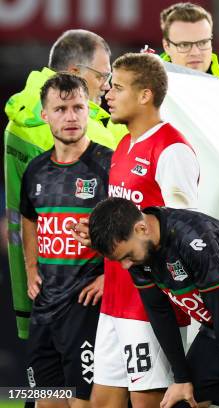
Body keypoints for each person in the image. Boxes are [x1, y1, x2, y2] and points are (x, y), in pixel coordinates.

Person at [71, 52, 200, 408]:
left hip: (150, 305)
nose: (108, 94)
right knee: (102, 401)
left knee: (150, 403)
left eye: (119, 87)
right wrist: (101, 237)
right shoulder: (124, 145)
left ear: (145, 95)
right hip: (116, 298)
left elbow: (182, 234)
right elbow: (131, 229)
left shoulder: (172, 150)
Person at [4, 29, 126, 340]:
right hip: (82, 290)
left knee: (51, 384)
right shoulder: (71, 128)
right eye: (103, 74)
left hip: (38, 285)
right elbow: (128, 178)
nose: (107, 84)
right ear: (75, 73)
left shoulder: (22, 115)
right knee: (86, 387)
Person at [87, 197, 219, 407]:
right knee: (180, 400)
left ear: (142, 228)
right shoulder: (138, 253)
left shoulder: (192, 236)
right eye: (120, 260)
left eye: (128, 256)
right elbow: (159, 313)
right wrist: (181, 378)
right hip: (218, 327)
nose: (125, 266)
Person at [19, 73, 113, 407]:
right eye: (60, 109)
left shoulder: (109, 165)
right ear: (44, 115)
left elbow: (136, 227)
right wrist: (31, 267)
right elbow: (29, 218)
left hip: (86, 307)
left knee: (82, 403)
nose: (70, 116)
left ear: (88, 109)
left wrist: (109, 274)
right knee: (46, 401)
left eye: (77, 107)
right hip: (45, 307)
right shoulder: (35, 170)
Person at [158, 2, 219, 77]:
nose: (195, 52)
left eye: (203, 43)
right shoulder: (147, 86)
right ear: (167, 47)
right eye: (184, 45)